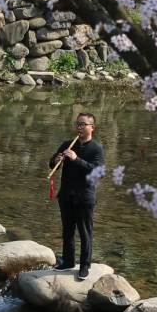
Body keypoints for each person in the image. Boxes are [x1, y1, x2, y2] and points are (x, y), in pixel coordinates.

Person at [48, 113, 104, 280]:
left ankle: (85, 266)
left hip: (85, 197)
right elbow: (52, 165)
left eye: (83, 124)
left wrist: (76, 159)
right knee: (67, 231)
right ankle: (68, 261)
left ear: (92, 127)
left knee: (85, 232)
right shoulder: (67, 144)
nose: (79, 127)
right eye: (78, 124)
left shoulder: (96, 148)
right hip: (66, 195)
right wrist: (56, 160)